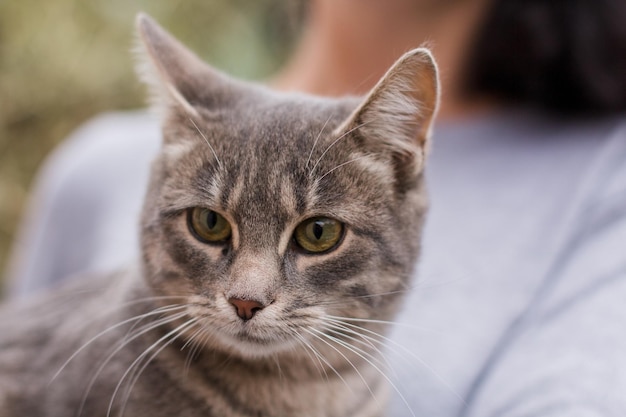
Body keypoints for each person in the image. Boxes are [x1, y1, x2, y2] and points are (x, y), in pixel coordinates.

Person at [6, 0, 626, 415]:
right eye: (208, 224)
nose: (247, 294)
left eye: (318, 233)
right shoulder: (92, 170)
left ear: (400, 163)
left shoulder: (602, 177)